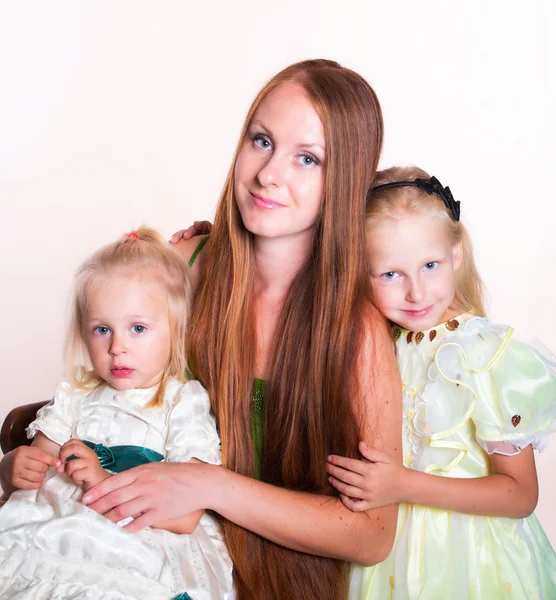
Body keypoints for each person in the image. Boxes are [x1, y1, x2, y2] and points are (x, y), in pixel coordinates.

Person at [82, 59, 403, 600]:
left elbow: (372, 534)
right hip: (150, 548)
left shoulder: (355, 333)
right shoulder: (187, 263)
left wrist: (211, 485)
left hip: (276, 579)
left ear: (342, 180)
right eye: (261, 141)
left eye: (307, 158)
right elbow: (108, 383)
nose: (269, 173)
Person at [326, 166, 556, 599]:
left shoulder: (483, 355)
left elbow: (520, 494)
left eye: (429, 265)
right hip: (391, 556)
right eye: (391, 274)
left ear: (456, 256)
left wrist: (402, 485)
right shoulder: (378, 346)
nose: (415, 292)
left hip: (474, 561)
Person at [0, 227, 232, 600]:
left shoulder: (182, 402)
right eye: (102, 329)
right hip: (53, 533)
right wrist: (12, 468)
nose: (117, 347)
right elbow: (36, 470)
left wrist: (101, 481)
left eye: (137, 328)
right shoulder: (76, 391)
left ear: (177, 330)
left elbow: (186, 517)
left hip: (136, 540)